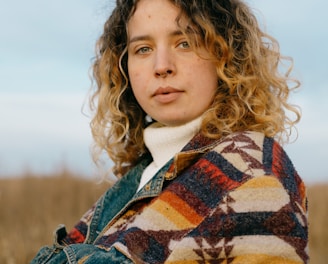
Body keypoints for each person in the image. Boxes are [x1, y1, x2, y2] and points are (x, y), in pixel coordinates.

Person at [31, 0, 308, 263]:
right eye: (143, 49)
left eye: (185, 43)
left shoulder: (251, 172)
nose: (162, 66)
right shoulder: (146, 174)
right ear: (123, 67)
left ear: (224, 54)